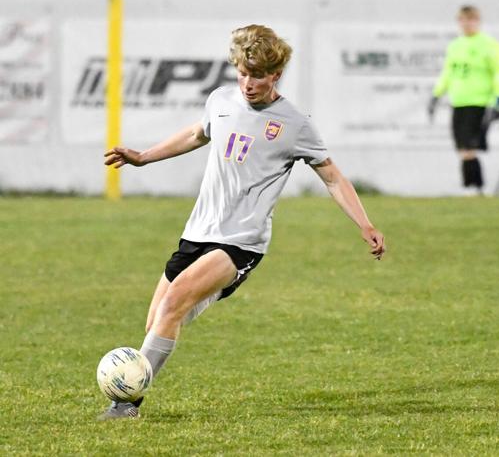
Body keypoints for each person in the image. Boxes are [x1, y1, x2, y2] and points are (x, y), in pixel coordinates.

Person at [99, 24, 385, 420]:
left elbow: (332, 176)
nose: (249, 83)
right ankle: (129, 396)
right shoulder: (220, 100)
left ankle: (124, 405)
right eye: (243, 73)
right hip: (198, 231)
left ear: (276, 75)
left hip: (241, 242)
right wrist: (144, 157)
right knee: (160, 318)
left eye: (258, 76)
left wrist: (364, 224)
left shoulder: (295, 124)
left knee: (173, 302)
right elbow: (197, 134)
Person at [428, 5, 499, 195]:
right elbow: (448, 73)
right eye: (463, 20)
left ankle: (474, 187)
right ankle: (473, 187)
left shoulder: (489, 45)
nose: (467, 24)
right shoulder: (455, 46)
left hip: (478, 102)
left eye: (471, 20)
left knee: (470, 146)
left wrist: (498, 98)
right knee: (462, 147)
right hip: (458, 102)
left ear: (478, 22)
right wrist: (436, 94)